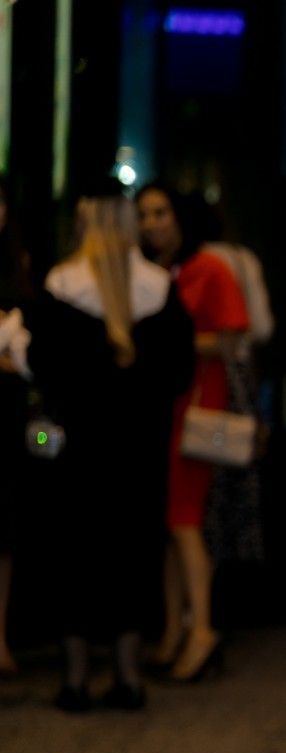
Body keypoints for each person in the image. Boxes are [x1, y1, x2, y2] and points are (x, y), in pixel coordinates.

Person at [22, 181, 194, 710]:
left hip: (76, 452)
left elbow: (42, 366)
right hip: (138, 452)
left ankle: (74, 679)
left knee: (74, 555)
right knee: (134, 554)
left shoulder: (59, 285)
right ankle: (129, 675)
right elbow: (180, 373)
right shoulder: (159, 289)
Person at [136, 184, 250, 681]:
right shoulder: (154, 272)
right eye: (143, 215)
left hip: (196, 406)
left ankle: (200, 628)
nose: (151, 224)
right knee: (170, 523)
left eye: (160, 213)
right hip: (161, 408)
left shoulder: (210, 269)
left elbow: (230, 341)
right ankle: (174, 629)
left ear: (180, 217)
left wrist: (167, 344)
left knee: (183, 520)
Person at [0, 174, 35, 678]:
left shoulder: (18, 267)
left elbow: (32, 353)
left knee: (3, 529)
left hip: (6, 406)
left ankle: (1, 638)